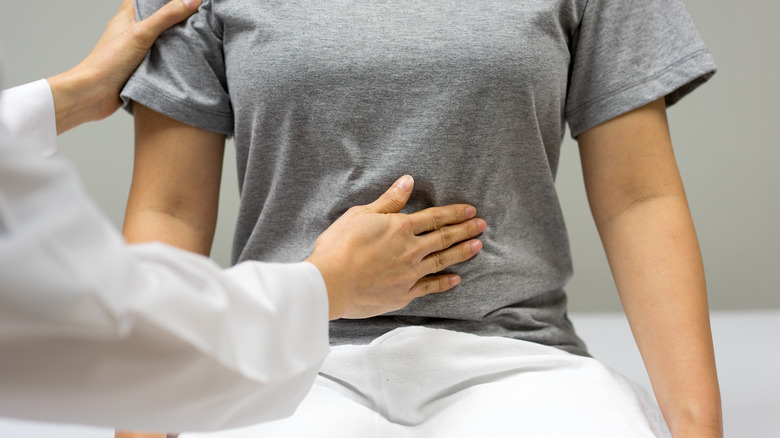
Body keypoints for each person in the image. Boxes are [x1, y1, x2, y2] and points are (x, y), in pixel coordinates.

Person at [119, 0, 723, 436]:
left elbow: (639, 200)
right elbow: (167, 211)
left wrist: (697, 429)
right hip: (284, 357)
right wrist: (141, 425)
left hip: (516, 356)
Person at [0, 0, 487, 432]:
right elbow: (158, 230)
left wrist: (73, 93)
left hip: (508, 352)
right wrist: (329, 285)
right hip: (301, 367)